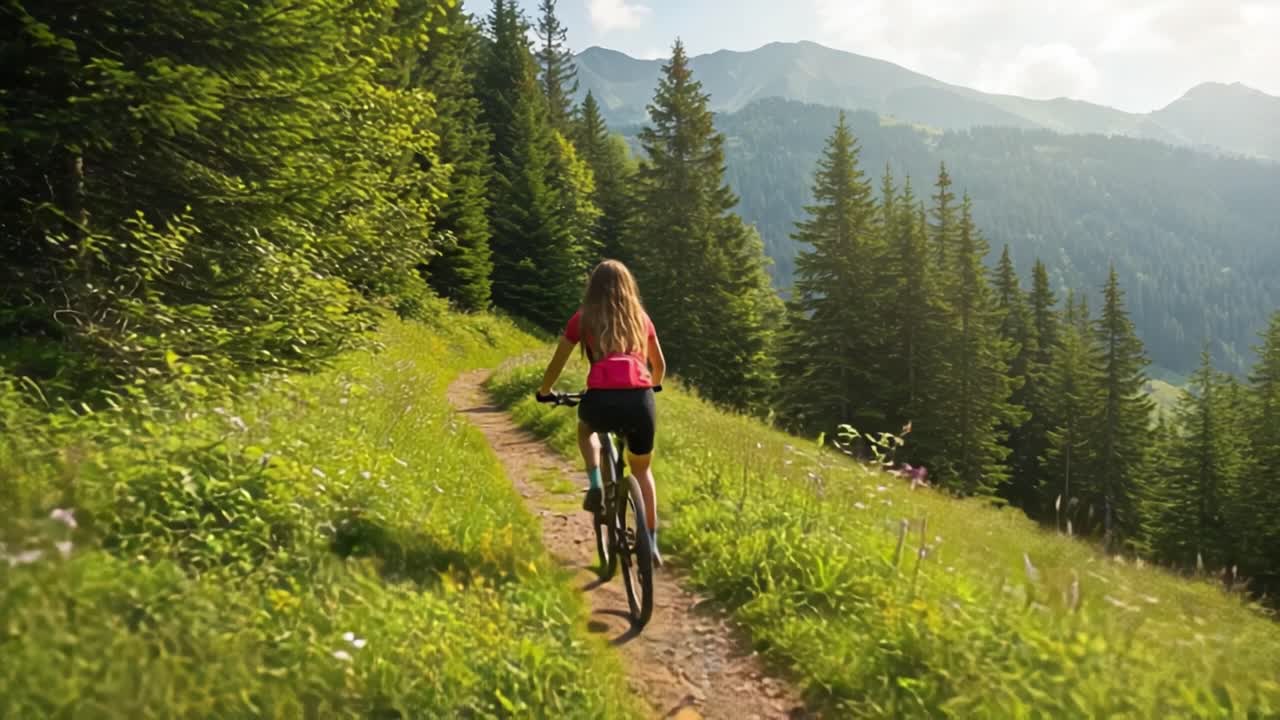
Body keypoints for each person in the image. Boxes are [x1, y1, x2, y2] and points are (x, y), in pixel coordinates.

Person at [536, 260, 666, 565]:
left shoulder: (583, 318)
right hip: (640, 400)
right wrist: (653, 387)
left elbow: (557, 362)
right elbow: (659, 365)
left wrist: (545, 391)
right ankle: (651, 542)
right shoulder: (641, 318)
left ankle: (595, 483)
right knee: (642, 471)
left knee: (586, 430)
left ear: (593, 286)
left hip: (601, 400)